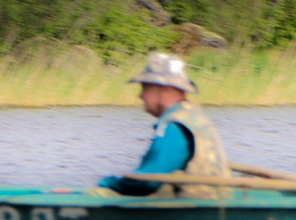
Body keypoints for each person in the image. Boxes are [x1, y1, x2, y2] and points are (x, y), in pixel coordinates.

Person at [99, 51, 231, 196]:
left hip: (197, 208)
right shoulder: (190, 115)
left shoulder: (176, 126)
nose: (140, 95)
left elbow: (148, 181)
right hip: (210, 202)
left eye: (145, 88)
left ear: (165, 89)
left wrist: (109, 183)